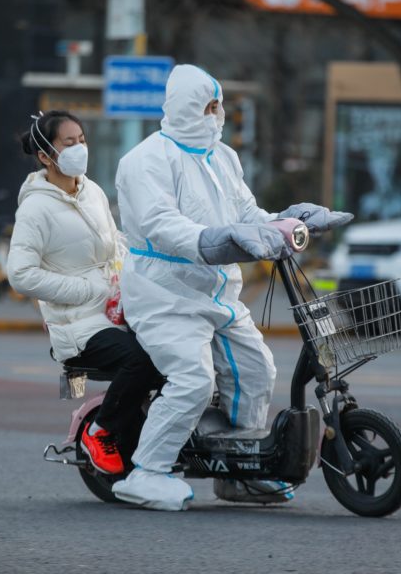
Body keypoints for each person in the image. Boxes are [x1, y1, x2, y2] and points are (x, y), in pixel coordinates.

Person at [111, 65, 353, 510]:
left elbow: (246, 212)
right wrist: (215, 241)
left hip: (219, 292)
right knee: (193, 380)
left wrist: (289, 222)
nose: (216, 115)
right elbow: (162, 227)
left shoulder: (223, 157)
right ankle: (146, 471)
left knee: (258, 369)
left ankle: (240, 470)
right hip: (164, 294)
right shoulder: (145, 160)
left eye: (218, 106)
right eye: (207, 106)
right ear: (184, 106)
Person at [6, 110, 162, 474]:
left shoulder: (90, 190)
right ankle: (100, 430)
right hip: (77, 323)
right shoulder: (35, 208)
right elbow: (20, 275)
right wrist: (85, 289)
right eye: (69, 142)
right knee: (142, 360)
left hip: (114, 308)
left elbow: (113, 244)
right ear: (45, 155)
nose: (79, 148)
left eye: (82, 140)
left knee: (176, 347)